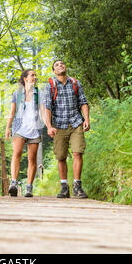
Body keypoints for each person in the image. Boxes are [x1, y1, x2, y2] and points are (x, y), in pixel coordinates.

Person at [44, 60, 90, 198]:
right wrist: (49, 126)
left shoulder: (75, 83)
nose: (60, 66)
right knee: (61, 156)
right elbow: (47, 107)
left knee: (78, 152)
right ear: (54, 71)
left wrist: (86, 119)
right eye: (57, 65)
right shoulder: (50, 86)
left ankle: (77, 186)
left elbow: (83, 102)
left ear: (66, 67)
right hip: (59, 125)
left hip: (76, 122)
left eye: (62, 64)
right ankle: (64, 187)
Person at [5, 69, 45, 197]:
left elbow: (43, 112)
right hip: (19, 128)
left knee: (31, 158)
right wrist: (8, 127)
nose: (35, 77)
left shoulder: (39, 93)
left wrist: (49, 126)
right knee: (17, 153)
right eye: (32, 75)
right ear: (25, 78)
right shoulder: (17, 93)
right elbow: (12, 112)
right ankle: (14, 183)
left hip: (34, 129)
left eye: (35, 75)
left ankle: (29, 187)